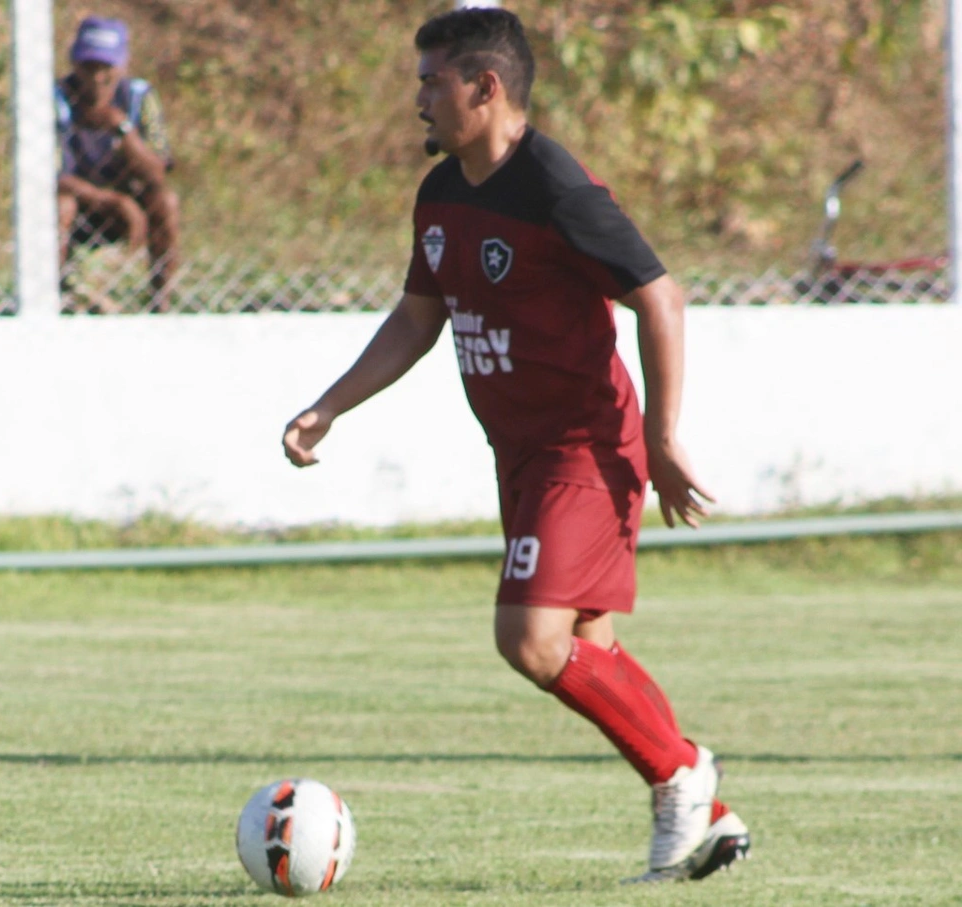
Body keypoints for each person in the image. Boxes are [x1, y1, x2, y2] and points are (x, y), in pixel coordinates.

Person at [282, 8, 750, 884]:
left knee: (531, 639)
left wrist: (663, 437)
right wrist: (330, 406)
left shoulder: (555, 188)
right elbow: (419, 319)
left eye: (433, 81)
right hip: (523, 454)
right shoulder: (444, 193)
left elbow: (662, 296)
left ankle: (682, 774)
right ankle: (708, 816)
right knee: (589, 650)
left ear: (485, 87)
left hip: (585, 447)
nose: (419, 98)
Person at [55, 16, 180, 312]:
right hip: (82, 205)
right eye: (89, 67)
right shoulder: (57, 98)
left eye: (106, 69)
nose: (97, 78)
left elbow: (158, 173)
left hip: (131, 207)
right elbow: (49, 174)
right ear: (74, 64)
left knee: (166, 201)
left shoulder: (138, 97)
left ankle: (160, 304)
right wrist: (110, 200)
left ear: (122, 66)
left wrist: (122, 130)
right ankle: (57, 299)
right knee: (62, 205)